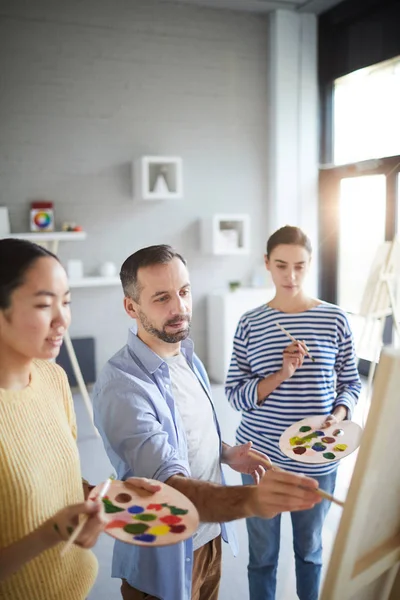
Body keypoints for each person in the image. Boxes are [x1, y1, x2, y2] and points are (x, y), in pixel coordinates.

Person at [92, 244, 323, 600]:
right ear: (131, 307)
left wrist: (228, 454)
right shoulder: (121, 385)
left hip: (209, 535)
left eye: (184, 292)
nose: (180, 307)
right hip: (164, 553)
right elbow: (167, 484)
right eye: (162, 298)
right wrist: (250, 500)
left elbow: (185, 436)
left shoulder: (186, 356)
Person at [0, 238, 158, 600]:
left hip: (75, 585)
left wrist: (111, 496)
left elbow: (59, 480)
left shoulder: (53, 379)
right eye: (43, 305)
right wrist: (50, 533)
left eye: (67, 302)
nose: (62, 320)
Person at [225, 225, 362, 600]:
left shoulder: (335, 320)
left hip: (318, 458)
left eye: (300, 266)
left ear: (310, 264)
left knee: (311, 553)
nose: (291, 276)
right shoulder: (251, 323)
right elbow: (235, 396)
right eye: (282, 265)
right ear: (266, 264)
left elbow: (351, 383)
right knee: (263, 558)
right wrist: (281, 374)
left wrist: (339, 411)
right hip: (260, 460)